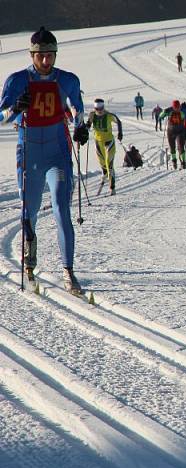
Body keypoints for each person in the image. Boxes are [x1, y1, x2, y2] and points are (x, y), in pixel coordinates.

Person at [0, 27, 87, 293]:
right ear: (32, 55)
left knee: (62, 209)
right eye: (41, 56)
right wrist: (15, 109)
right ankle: (30, 254)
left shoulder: (68, 79)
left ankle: (68, 271)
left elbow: (77, 109)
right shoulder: (17, 80)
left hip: (57, 153)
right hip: (29, 154)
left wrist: (80, 127)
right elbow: (0, 116)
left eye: (50, 55)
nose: (46, 61)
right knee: (30, 212)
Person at [86, 98, 123, 195]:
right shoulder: (92, 115)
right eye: (97, 108)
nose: (99, 110)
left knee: (109, 163)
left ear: (103, 107)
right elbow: (88, 125)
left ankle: (112, 187)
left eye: (101, 108)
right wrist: (84, 130)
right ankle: (105, 174)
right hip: (98, 143)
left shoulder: (109, 115)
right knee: (102, 164)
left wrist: (120, 133)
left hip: (108, 142)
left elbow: (118, 121)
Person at [160, 99, 186, 169]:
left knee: (181, 147)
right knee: (172, 148)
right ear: (173, 107)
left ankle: (183, 163)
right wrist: (164, 112)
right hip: (170, 132)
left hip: (180, 132)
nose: (177, 109)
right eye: (176, 107)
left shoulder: (182, 112)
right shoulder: (169, 111)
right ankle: (174, 162)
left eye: (178, 107)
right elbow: (160, 116)